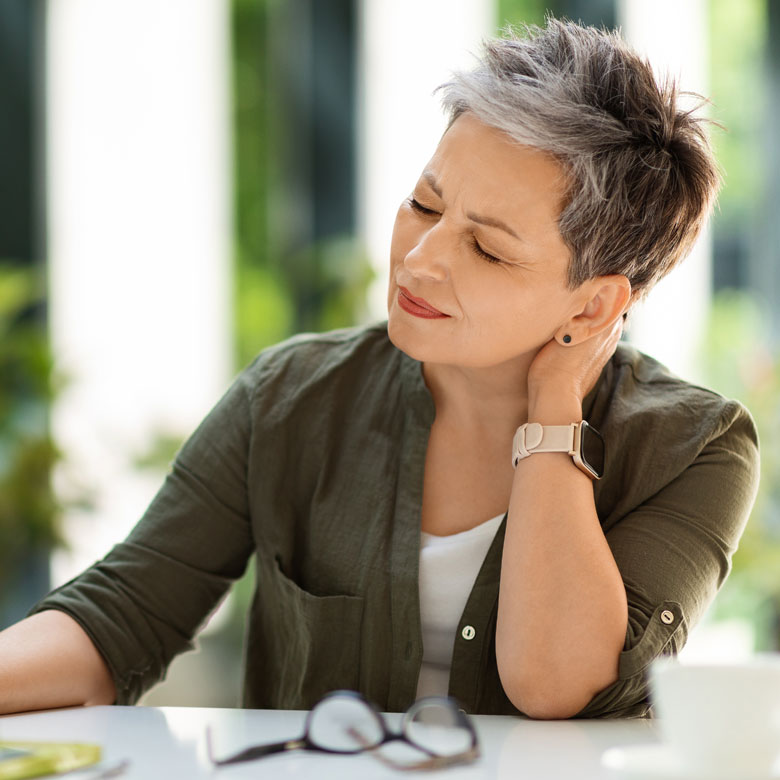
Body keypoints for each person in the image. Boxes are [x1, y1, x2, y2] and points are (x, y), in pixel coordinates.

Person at [0, 18, 759, 720]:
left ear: (593, 309)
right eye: (425, 206)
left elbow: (554, 682)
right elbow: (120, 620)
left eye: (488, 248)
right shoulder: (289, 399)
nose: (420, 261)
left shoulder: (696, 449)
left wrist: (553, 408)